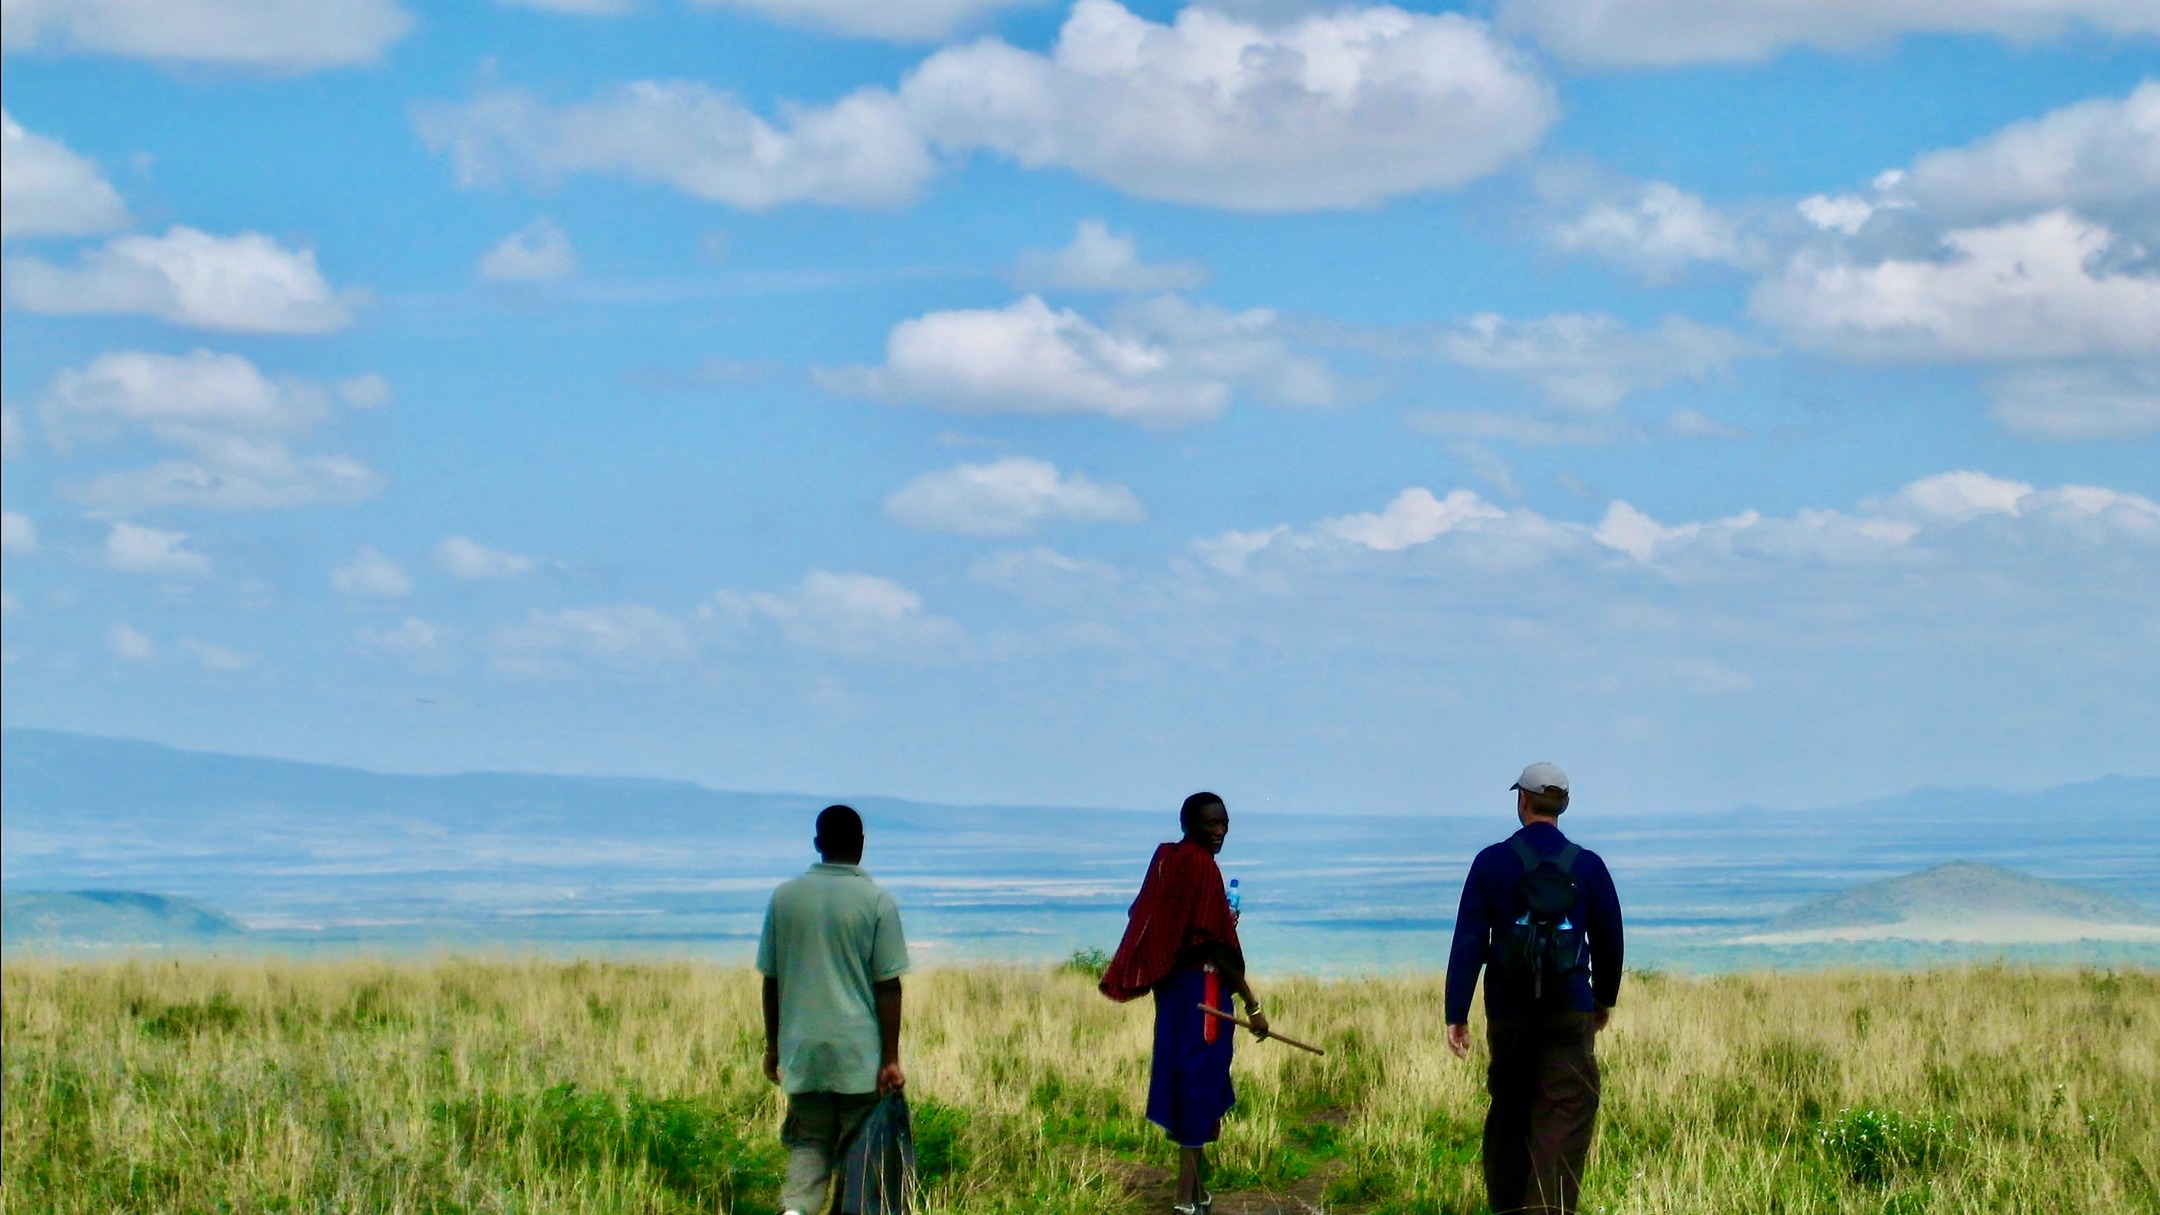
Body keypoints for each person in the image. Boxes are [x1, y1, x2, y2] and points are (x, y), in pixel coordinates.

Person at [1444, 763, 1624, 1215]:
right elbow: (1610, 939)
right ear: (1563, 805)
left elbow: (1469, 941)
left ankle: (1507, 1208)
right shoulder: (1588, 865)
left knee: (1509, 1114)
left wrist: (1457, 1013)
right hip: (1570, 1011)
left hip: (1508, 1012)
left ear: (1521, 801)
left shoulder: (1491, 862)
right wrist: (1602, 1000)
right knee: (1563, 1118)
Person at [1100, 792, 1271, 1215]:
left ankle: (1198, 1193)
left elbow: (1148, 916)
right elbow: (1216, 943)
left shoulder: (1166, 860)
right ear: (1188, 824)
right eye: (1212, 823)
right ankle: (1184, 1199)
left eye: (1225, 824)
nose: (1219, 832)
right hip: (1203, 994)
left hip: (1173, 994)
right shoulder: (1201, 867)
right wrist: (1251, 1005)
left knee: (1187, 1079)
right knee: (1200, 1083)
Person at [758, 804, 911, 1215]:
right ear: (861, 845)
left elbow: (771, 982)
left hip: (802, 1051)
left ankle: (795, 1211)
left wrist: (774, 1047)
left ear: (817, 844)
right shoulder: (877, 901)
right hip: (860, 1057)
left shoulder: (784, 898)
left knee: (809, 1144)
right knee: (861, 1157)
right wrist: (890, 1058)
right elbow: (888, 986)